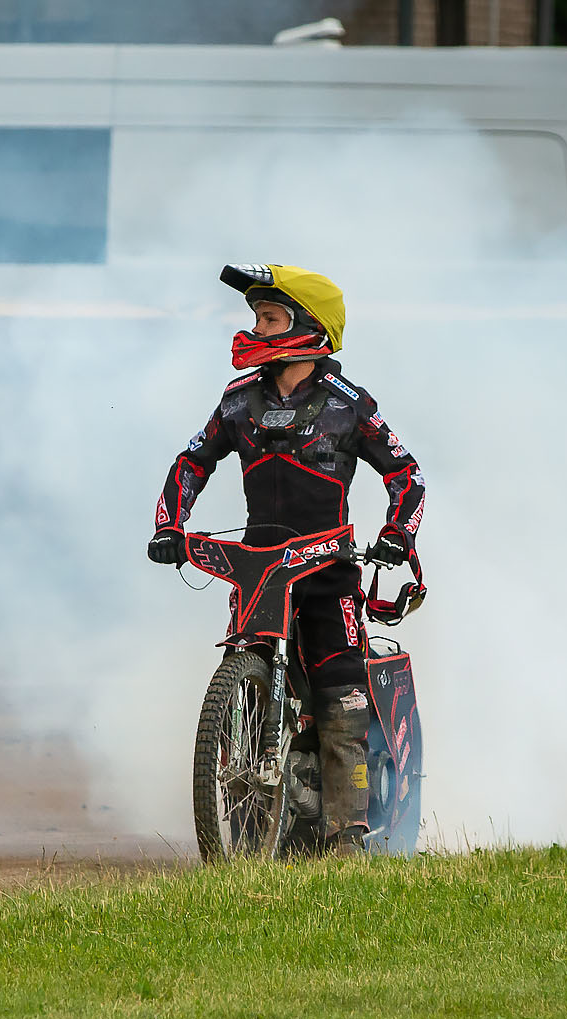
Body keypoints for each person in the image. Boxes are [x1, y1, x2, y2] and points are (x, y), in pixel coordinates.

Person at [147, 264, 426, 856]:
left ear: (309, 326)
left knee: (341, 701)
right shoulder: (237, 402)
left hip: (328, 575)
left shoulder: (350, 405)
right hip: (258, 574)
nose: (256, 329)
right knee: (247, 687)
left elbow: (407, 475)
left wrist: (397, 535)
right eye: (256, 317)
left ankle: (347, 842)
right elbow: (191, 463)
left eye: (270, 318)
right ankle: (256, 832)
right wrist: (169, 525)